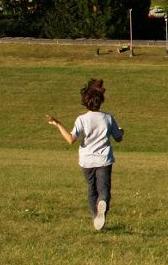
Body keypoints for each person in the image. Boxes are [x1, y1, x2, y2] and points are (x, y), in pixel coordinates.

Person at [45, 78, 125, 231]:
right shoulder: (108, 118)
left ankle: (96, 216)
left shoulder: (81, 119)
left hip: (86, 161)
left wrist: (57, 123)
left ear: (86, 102)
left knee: (91, 188)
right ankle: (102, 203)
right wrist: (121, 131)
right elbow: (118, 138)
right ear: (100, 101)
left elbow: (70, 139)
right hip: (104, 160)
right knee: (104, 190)